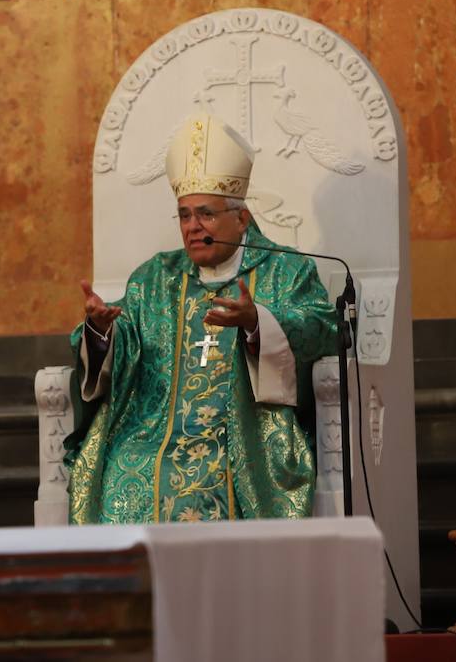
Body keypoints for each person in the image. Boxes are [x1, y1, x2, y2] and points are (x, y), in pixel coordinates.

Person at [64, 114, 338, 524]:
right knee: (123, 466)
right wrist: (102, 332)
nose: (193, 228)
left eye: (206, 214)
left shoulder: (287, 270)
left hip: (247, 435)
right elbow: (125, 346)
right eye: (185, 215)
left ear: (241, 218)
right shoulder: (155, 277)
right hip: (153, 435)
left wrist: (258, 321)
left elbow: (323, 328)